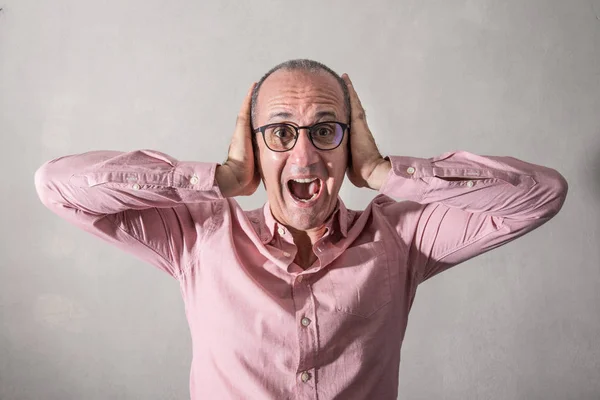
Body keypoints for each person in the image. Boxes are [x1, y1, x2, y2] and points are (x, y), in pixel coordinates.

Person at [34, 59, 568, 400]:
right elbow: (57, 185)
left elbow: (541, 194)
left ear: (348, 140)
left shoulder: (399, 239)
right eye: (282, 132)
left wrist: (385, 171)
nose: (306, 155)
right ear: (255, 144)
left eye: (325, 131)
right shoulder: (200, 236)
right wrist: (218, 178)